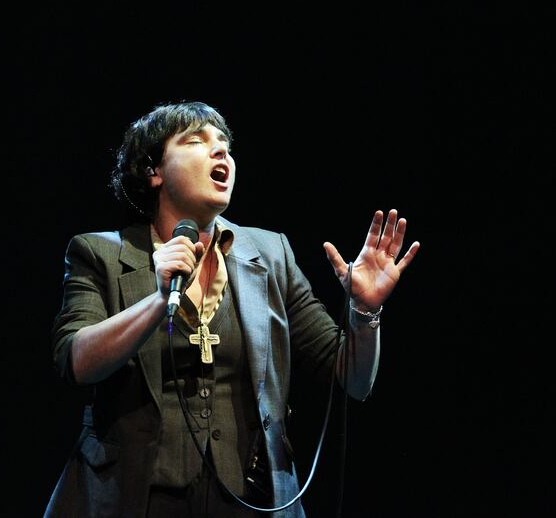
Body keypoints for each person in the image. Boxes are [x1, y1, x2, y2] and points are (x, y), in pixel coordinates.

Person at [44, 102, 420, 518]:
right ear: (154, 172)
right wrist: (157, 299)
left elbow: (352, 378)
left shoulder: (270, 253)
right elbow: (76, 360)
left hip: (250, 500)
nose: (220, 152)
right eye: (197, 141)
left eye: (225, 144)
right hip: (135, 497)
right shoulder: (100, 252)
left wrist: (364, 313)